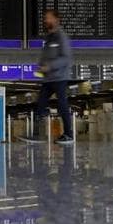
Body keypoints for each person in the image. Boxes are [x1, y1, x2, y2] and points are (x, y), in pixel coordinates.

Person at [28, 10, 74, 145]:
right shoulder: (48, 38)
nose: (45, 21)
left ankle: (68, 135)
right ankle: (36, 135)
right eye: (44, 18)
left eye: (47, 18)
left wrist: (49, 66)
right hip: (48, 79)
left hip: (59, 78)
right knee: (40, 106)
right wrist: (41, 67)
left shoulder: (61, 37)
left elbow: (66, 58)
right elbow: (45, 57)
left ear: (56, 20)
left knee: (62, 105)